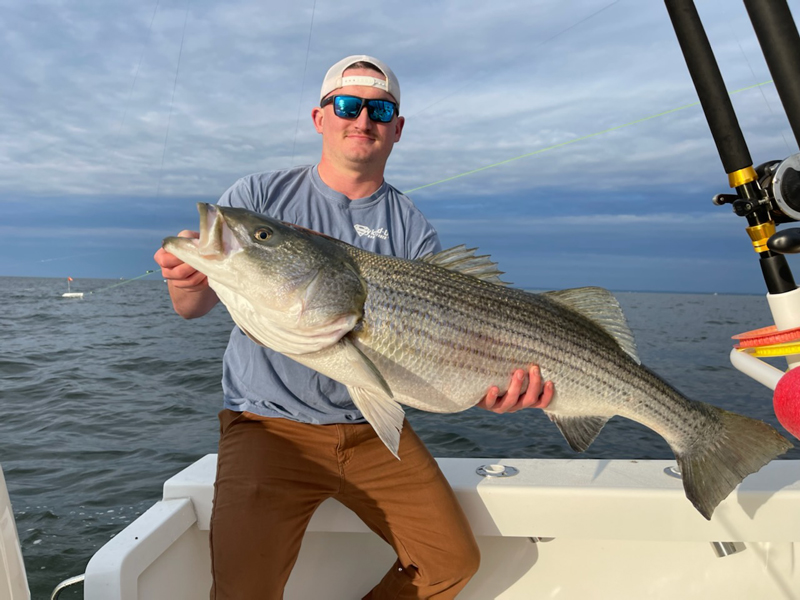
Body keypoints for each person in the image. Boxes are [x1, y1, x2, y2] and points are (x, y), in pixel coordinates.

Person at [154, 55, 554, 600]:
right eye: (346, 105)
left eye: (379, 109)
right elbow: (191, 308)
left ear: (397, 128)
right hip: (269, 426)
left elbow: (448, 344)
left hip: (371, 430)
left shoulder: (412, 228)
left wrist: (489, 385)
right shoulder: (258, 198)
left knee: (451, 562)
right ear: (320, 118)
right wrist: (189, 281)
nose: (361, 119)